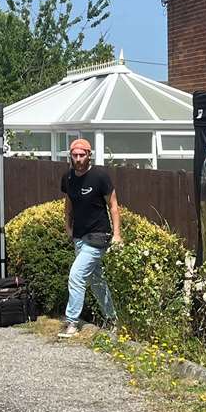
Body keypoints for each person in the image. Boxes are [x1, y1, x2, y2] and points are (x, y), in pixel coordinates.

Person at [58, 138, 121, 338]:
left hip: (98, 235)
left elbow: (113, 206)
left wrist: (117, 234)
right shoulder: (68, 178)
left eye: (82, 155)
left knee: (76, 275)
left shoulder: (100, 176)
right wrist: (68, 227)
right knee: (96, 281)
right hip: (79, 236)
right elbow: (68, 204)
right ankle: (112, 320)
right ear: (71, 156)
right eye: (75, 155)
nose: (78, 159)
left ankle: (72, 323)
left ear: (88, 155)